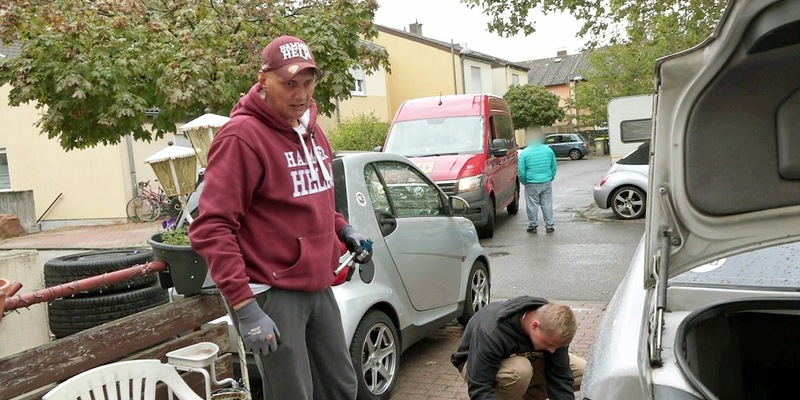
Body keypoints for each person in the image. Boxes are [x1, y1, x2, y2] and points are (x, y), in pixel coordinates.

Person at [189, 35, 371, 400]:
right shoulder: (241, 138)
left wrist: (343, 230)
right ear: (264, 80)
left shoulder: (313, 132)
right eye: (289, 84)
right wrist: (245, 307)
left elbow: (315, 201)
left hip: (317, 286)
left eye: (308, 82)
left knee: (341, 387)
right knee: (293, 393)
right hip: (271, 291)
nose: (300, 94)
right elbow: (212, 227)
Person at [451, 296, 586, 400]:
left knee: (584, 371)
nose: (552, 350)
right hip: (475, 363)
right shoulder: (492, 332)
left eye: (556, 346)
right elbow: (480, 389)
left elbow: (561, 377)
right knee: (519, 372)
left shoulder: (555, 328)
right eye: (550, 344)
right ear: (535, 326)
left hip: (522, 358)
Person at [518, 136, 557, 233]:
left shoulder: (525, 152)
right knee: (547, 204)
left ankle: (533, 225)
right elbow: (553, 165)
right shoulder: (548, 150)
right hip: (546, 181)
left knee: (532, 205)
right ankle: (549, 225)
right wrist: (551, 176)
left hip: (531, 182)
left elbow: (521, 170)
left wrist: (524, 181)